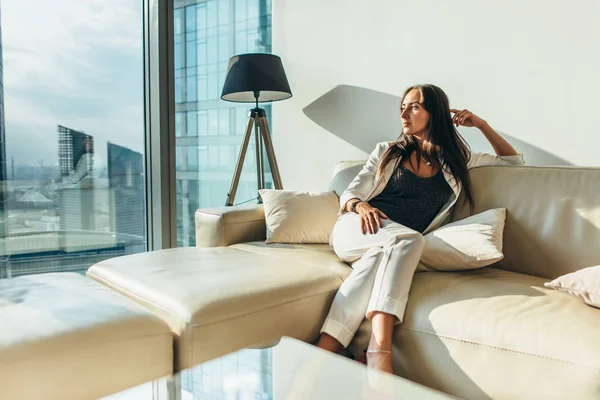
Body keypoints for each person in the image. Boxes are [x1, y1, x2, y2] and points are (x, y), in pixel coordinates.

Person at [315, 84, 525, 374]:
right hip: (358, 228)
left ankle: (321, 355)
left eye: (413, 106)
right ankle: (379, 349)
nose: (404, 113)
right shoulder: (387, 152)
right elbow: (350, 195)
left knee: (378, 261)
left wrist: (481, 125)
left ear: (434, 112)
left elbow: (513, 162)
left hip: (387, 248)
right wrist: (361, 206)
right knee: (409, 240)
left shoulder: (456, 161)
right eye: (402, 107)